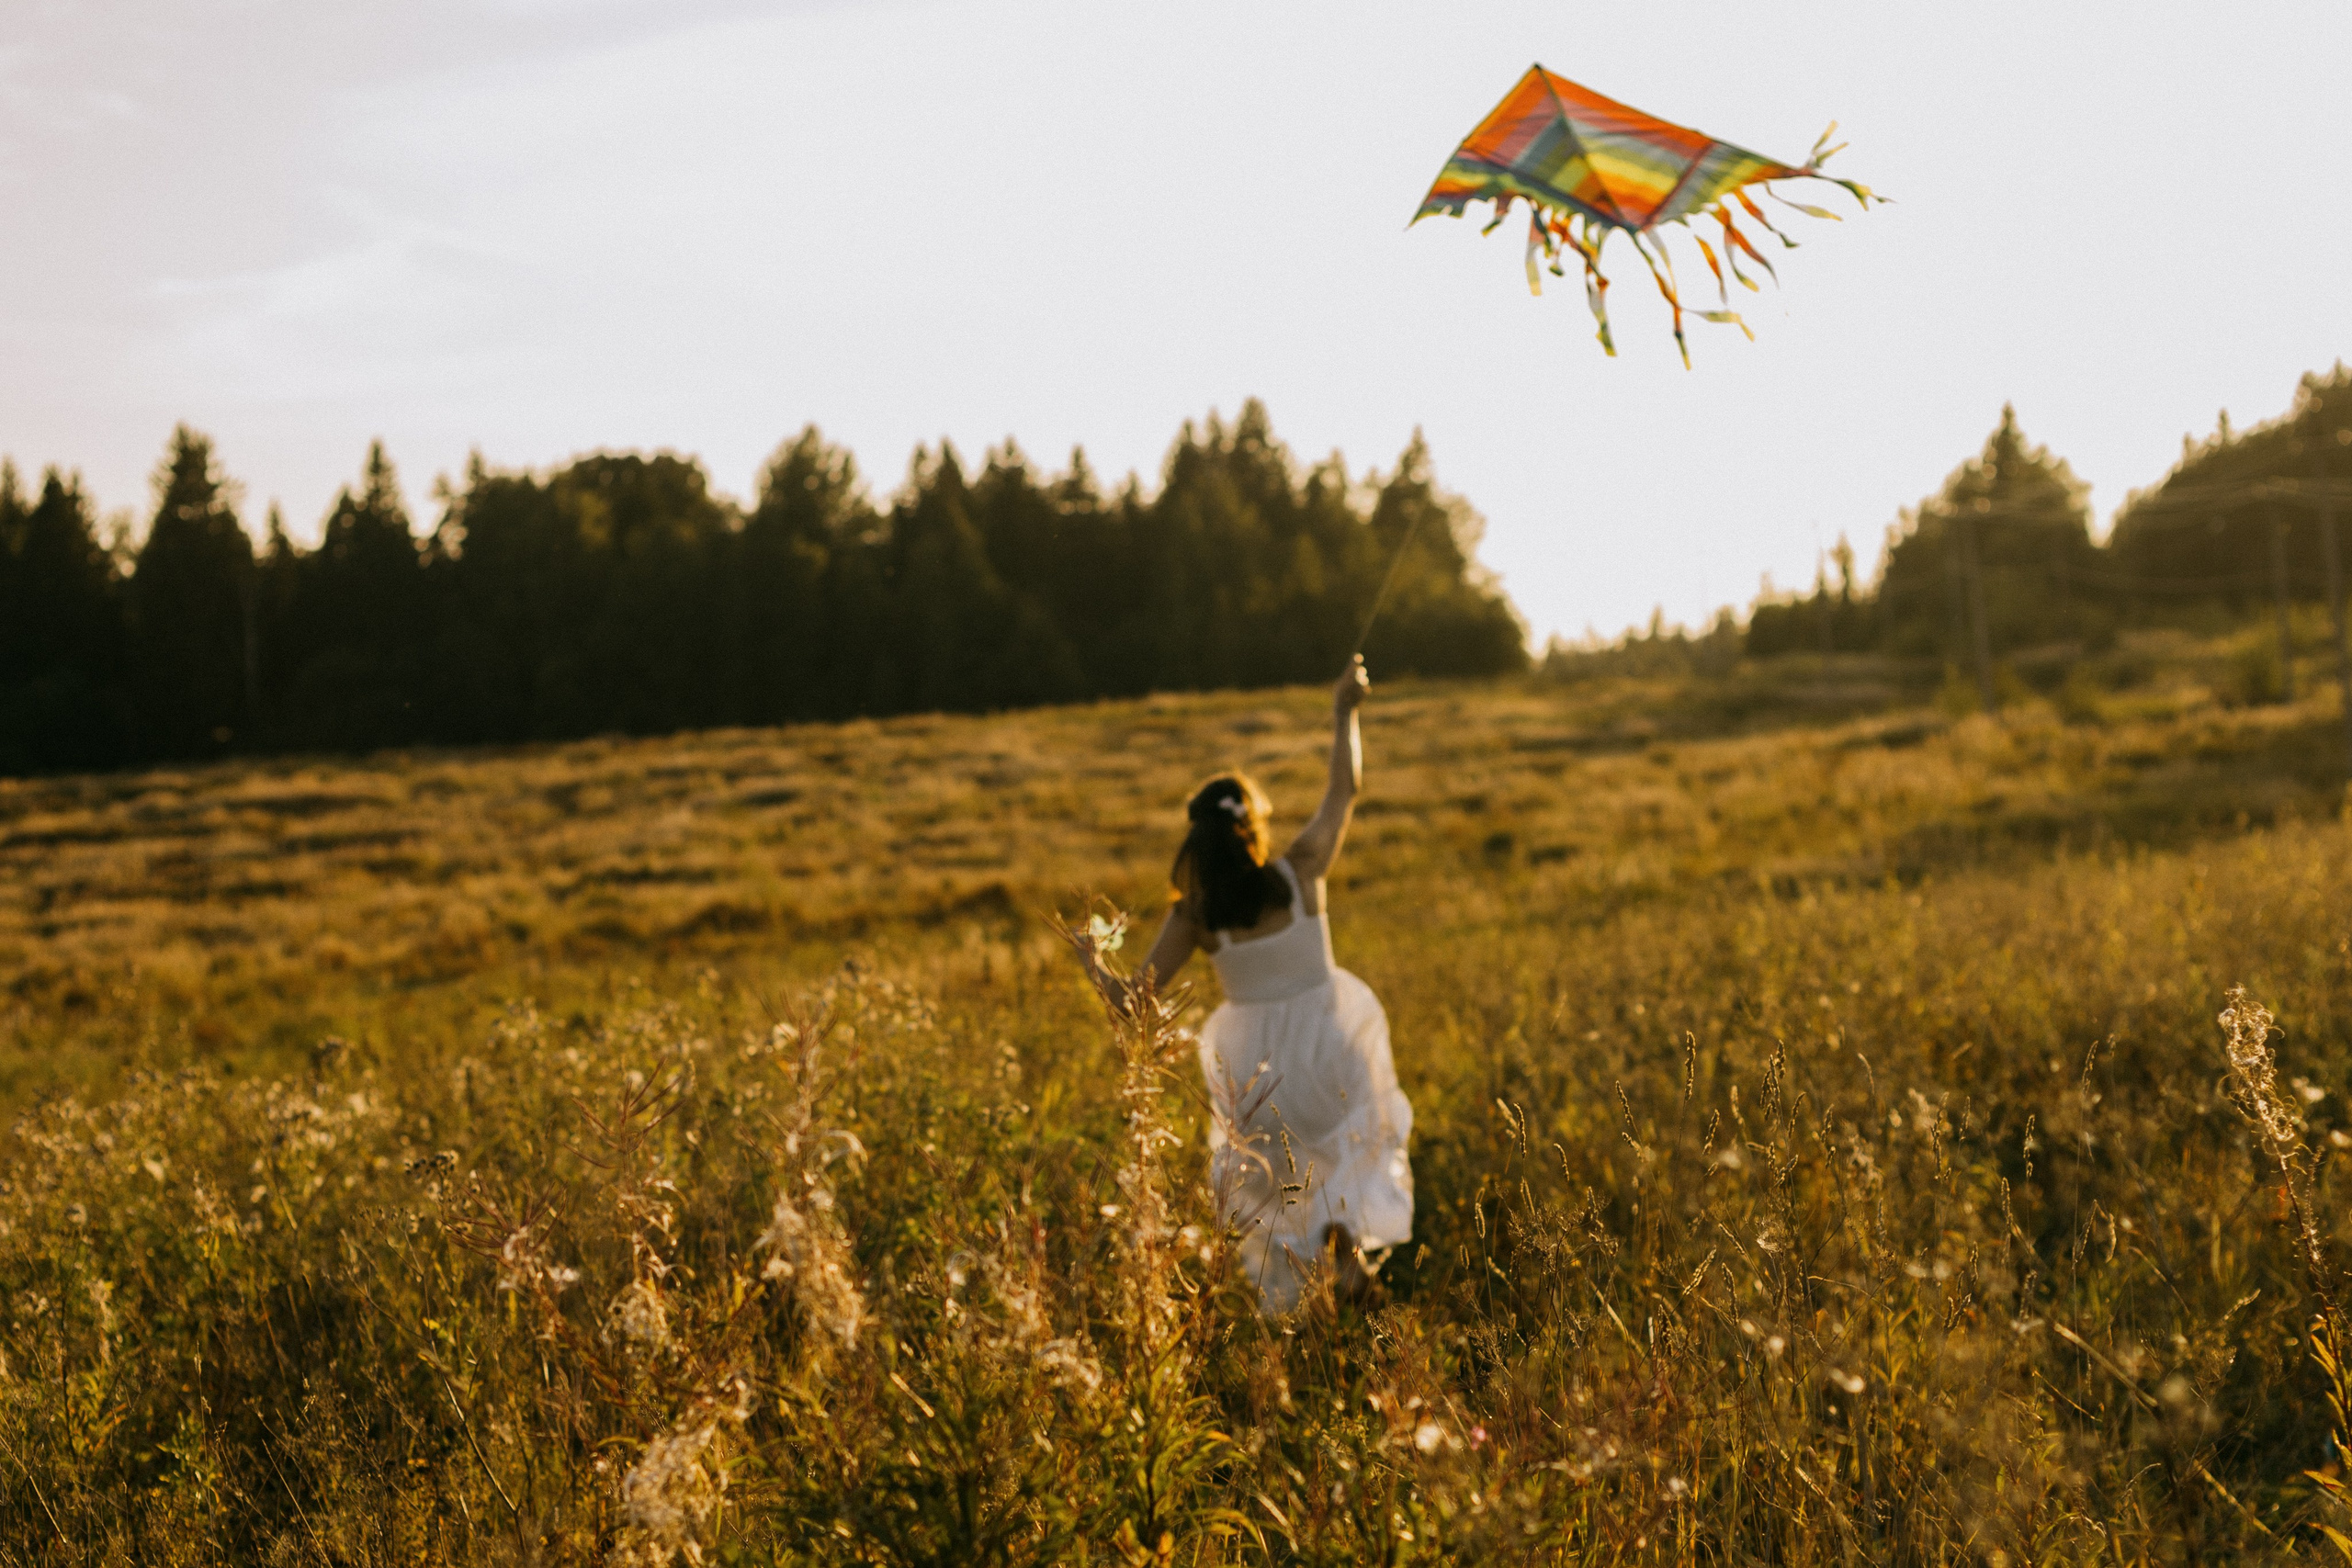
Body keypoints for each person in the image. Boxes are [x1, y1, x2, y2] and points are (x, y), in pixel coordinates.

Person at [1074, 657, 1414, 1311]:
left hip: (1258, 1071)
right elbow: (1345, 791)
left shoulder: (1196, 916)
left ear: (1198, 841)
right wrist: (1344, 710)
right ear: (1250, 828)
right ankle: (1345, 1252)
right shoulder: (1298, 873)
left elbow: (1134, 1002)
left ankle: (1311, 1291)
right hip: (1329, 1041)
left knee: (1276, 1184)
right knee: (1347, 1147)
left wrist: (1092, 960)